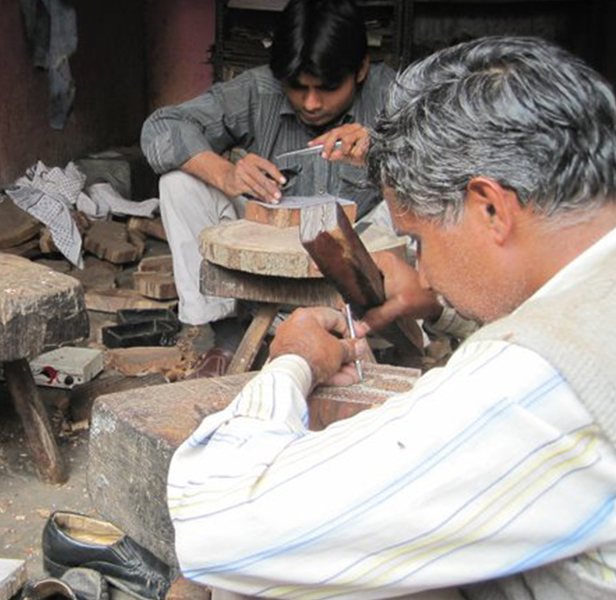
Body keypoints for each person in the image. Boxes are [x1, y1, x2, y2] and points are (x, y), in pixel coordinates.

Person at [166, 36, 616, 598]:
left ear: (491, 209)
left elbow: (218, 529)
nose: (420, 273)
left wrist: (290, 364)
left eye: (416, 241)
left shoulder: (542, 383)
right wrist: (447, 305)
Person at [140, 0, 395, 364]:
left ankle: (367, 334)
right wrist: (225, 172)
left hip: (362, 259)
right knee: (179, 183)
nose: (310, 102)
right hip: (272, 244)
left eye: (327, 88)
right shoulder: (260, 91)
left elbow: (456, 162)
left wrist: (383, 151)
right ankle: (227, 338)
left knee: (415, 205)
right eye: (297, 87)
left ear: (361, 69)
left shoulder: (393, 95)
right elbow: (160, 129)